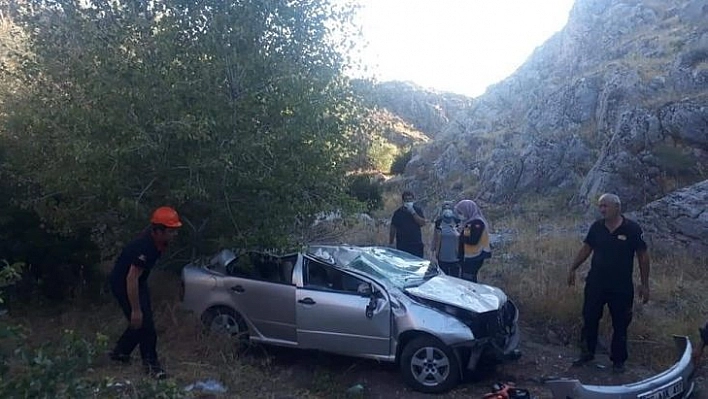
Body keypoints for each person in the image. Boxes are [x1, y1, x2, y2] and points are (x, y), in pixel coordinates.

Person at [567, 193, 650, 373]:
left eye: (606, 206)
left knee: (620, 323)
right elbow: (586, 248)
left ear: (617, 207)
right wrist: (573, 268)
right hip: (596, 283)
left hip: (621, 286)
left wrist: (645, 284)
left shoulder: (632, 229)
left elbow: (643, 256)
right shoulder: (597, 227)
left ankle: (618, 361)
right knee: (589, 318)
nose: (602, 209)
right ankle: (587, 353)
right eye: (600, 206)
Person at [108, 206, 182, 379]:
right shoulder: (144, 247)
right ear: (158, 231)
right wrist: (135, 309)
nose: (175, 235)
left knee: (141, 321)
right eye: (171, 231)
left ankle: (120, 353)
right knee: (144, 324)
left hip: (137, 282)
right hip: (124, 283)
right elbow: (131, 278)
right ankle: (151, 365)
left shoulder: (159, 241)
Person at [455, 199, 492, 283]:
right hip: (470, 256)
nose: (461, 215)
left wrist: (459, 236)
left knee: (468, 281)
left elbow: (472, 240)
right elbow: (467, 235)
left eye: (461, 212)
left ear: (467, 210)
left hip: (474, 257)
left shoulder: (477, 223)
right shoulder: (470, 222)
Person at [389, 190, 426, 257]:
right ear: (403, 201)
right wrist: (391, 242)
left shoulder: (417, 210)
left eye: (410, 200)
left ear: (413, 200)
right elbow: (393, 227)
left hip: (416, 245)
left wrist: (413, 212)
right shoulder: (398, 213)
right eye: (406, 200)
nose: (408, 202)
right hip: (403, 246)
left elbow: (422, 223)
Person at [431, 201, 461, 277]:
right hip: (442, 256)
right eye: (445, 208)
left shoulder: (457, 222)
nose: (447, 210)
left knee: (455, 278)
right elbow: (435, 238)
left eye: (449, 208)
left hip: (455, 257)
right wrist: (433, 254)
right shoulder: (438, 222)